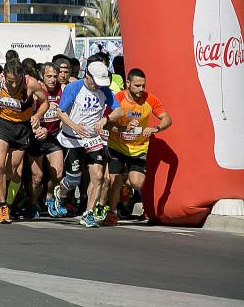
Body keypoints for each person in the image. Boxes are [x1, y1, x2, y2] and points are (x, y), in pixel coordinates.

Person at [0, 59, 48, 224]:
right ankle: (3, 206)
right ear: (4, 75)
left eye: (16, 82)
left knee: (11, 170)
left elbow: (45, 102)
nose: (12, 85)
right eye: (10, 81)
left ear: (22, 77)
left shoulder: (31, 84)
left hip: (22, 127)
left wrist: (37, 116)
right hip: (2, 124)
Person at [103, 68, 171, 226]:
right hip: (117, 146)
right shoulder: (118, 99)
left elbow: (167, 118)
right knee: (114, 180)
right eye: (137, 86)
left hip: (138, 148)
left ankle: (126, 183)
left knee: (137, 183)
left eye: (143, 86)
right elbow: (106, 124)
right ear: (128, 84)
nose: (141, 89)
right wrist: (124, 127)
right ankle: (113, 213)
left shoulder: (150, 99)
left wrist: (156, 128)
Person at [54, 60, 118, 228]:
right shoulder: (73, 88)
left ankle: (88, 213)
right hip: (72, 138)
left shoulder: (104, 90)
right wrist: (74, 126)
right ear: (87, 76)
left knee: (98, 176)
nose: (98, 86)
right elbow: (60, 112)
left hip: (92, 138)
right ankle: (60, 193)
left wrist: (106, 118)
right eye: (96, 82)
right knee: (73, 180)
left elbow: (119, 109)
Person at [32, 62, 67, 218]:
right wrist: (37, 129)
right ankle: (33, 203)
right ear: (42, 77)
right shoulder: (36, 92)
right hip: (36, 138)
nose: (53, 79)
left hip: (54, 137)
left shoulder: (64, 90)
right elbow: (27, 116)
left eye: (55, 76)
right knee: (37, 177)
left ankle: (50, 197)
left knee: (58, 173)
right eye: (49, 76)